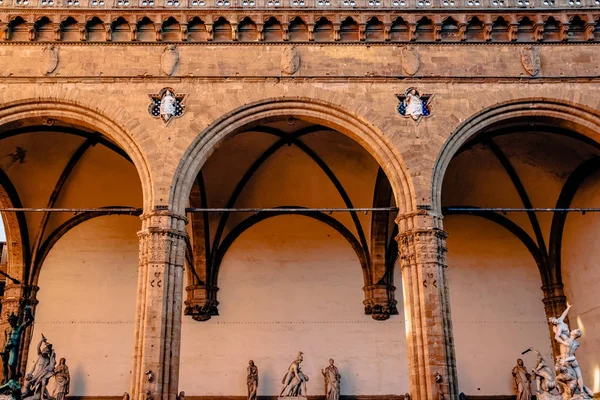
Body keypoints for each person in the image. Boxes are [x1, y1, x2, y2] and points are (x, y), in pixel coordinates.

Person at [2, 305, 34, 384]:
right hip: (6, 348)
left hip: (13, 348)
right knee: (4, 365)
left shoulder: (19, 328)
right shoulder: (7, 329)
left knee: (11, 364)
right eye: (10, 321)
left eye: (13, 321)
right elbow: (5, 340)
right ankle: (5, 380)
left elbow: (30, 320)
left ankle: (12, 379)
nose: (11, 322)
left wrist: (28, 312)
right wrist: (3, 349)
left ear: (15, 321)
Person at [558, 329, 594, 398]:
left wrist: (564, 360)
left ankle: (581, 390)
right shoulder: (576, 343)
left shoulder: (567, 341)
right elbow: (571, 355)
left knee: (578, 376)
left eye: (573, 330)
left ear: (574, 334)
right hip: (572, 360)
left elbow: (568, 354)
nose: (571, 330)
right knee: (579, 376)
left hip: (568, 360)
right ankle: (582, 391)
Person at [22, 335, 56, 400]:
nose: (44, 353)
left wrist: (51, 351)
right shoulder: (40, 356)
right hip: (36, 373)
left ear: (47, 353)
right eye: (43, 352)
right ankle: (29, 394)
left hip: (43, 373)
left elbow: (52, 362)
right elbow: (38, 347)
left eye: (46, 352)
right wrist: (41, 340)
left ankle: (44, 396)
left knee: (43, 383)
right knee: (34, 385)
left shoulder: (49, 359)